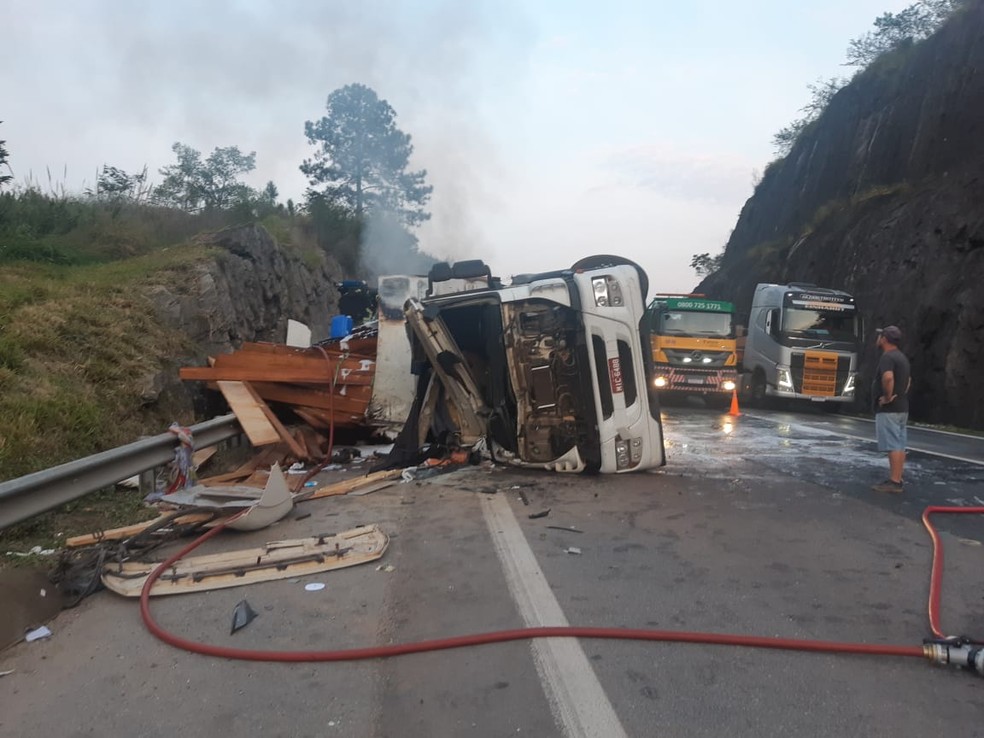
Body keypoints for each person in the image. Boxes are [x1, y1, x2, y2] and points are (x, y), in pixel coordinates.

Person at [871, 325, 911, 493]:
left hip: (890, 410)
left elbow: (888, 377)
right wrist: (900, 394)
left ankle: (894, 482)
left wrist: (887, 397)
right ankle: (898, 478)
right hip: (902, 407)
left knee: (893, 444)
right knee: (900, 444)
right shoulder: (902, 357)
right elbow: (908, 381)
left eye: (880, 336)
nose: (877, 339)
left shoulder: (887, 357)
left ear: (884, 339)